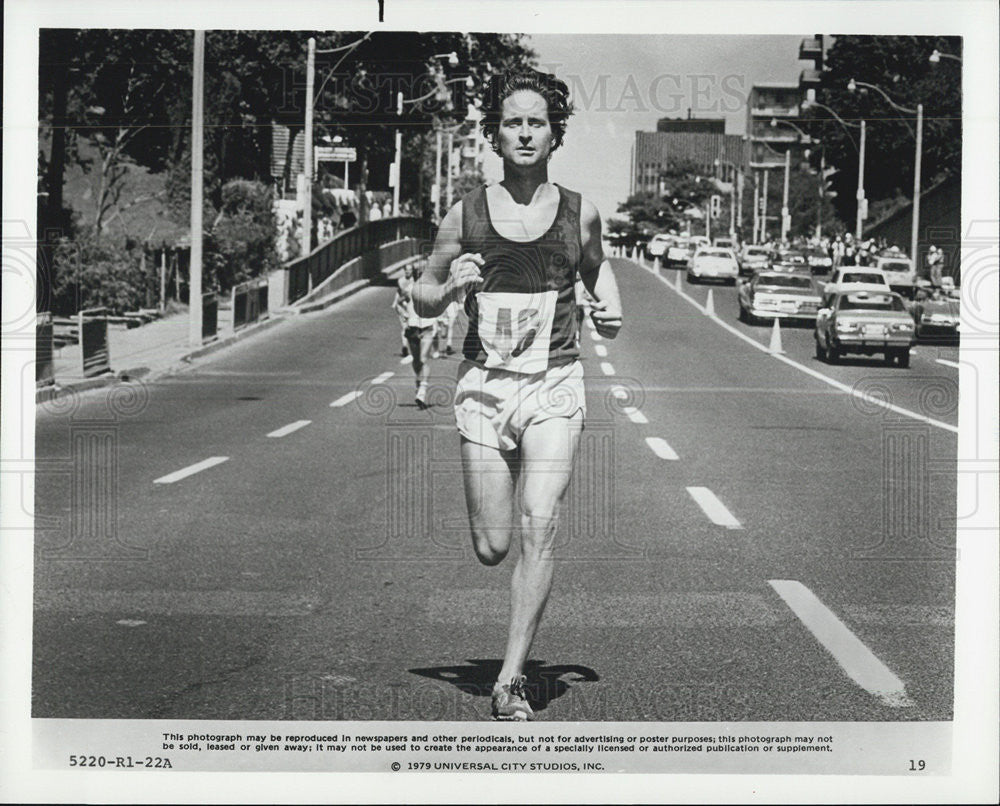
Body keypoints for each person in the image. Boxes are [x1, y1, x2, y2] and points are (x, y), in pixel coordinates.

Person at [412, 69, 623, 721]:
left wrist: (608, 308)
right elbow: (423, 287)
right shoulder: (467, 212)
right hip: (485, 388)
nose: (525, 132)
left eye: (537, 121)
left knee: (540, 522)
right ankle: (504, 662)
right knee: (492, 545)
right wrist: (447, 292)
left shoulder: (578, 210)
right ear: (495, 135)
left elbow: (597, 266)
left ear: (554, 134)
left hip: (554, 385)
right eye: (513, 122)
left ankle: (509, 681)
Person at [394, 262, 437, 406]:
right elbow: (398, 304)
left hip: (427, 328)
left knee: (424, 359)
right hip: (412, 328)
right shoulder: (409, 290)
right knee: (417, 362)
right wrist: (405, 315)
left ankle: (423, 391)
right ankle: (419, 384)